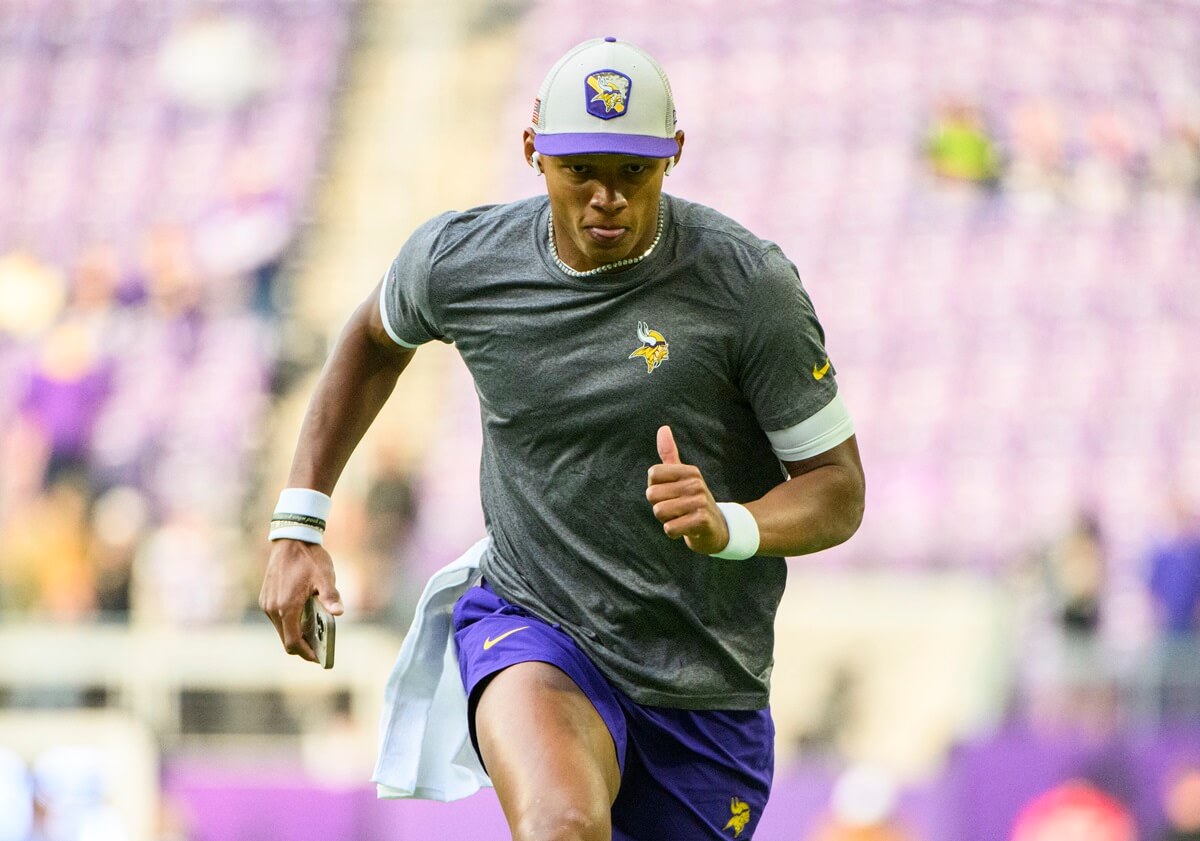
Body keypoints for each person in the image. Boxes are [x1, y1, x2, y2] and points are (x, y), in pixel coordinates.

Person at [260, 36, 865, 841]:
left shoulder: (748, 286)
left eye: (632, 171)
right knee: (562, 823)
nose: (606, 197)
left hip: (704, 686)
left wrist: (732, 524)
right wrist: (298, 522)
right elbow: (373, 338)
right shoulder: (462, 261)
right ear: (532, 152)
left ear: (673, 155)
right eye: (580, 169)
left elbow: (839, 488)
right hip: (536, 622)